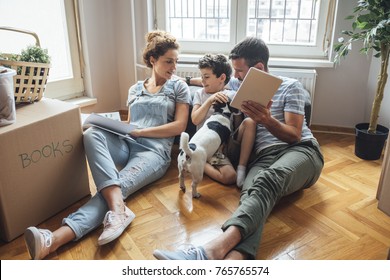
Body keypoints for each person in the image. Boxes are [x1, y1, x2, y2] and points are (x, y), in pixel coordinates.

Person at [23, 30, 191, 260]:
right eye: (168, 61)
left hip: (154, 153)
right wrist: (113, 125)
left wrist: (141, 132)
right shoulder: (135, 89)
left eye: (176, 62)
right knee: (92, 134)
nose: (174, 67)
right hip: (128, 142)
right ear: (153, 60)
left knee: (114, 189)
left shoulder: (178, 87)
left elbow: (179, 126)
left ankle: (54, 240)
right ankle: (119, 210)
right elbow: (130, 123)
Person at [153, 37, 324, 260]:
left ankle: (207, 253)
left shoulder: (291, 87)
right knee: (251, 197)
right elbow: (210, 82)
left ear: (259, 68)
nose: (235, 77)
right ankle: (235, 262)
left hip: (301, 152)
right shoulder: (237, 85)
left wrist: (267, 120)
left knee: (265, 181)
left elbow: (293, 135)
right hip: (262, 158)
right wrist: (182, 79)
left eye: (240, 71)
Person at [191, 53, 256, 187]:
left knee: (250, 122)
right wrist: (210, 100)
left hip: (225, 144)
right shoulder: (200, 94)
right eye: (202, 76)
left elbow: (236, 126)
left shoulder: (232, 95)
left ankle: (241, 168)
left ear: (222, 78)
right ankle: (194, 160)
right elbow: (195, 120)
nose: (202, 81)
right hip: (208, 145)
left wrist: (236, 111)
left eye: (206, 77)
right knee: (229, 177)